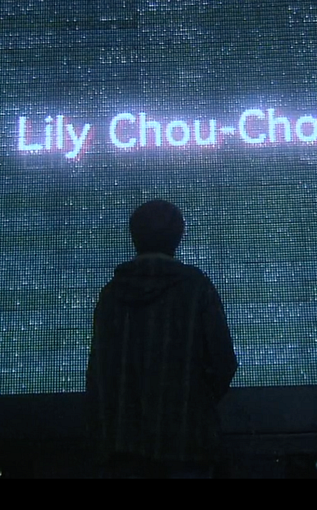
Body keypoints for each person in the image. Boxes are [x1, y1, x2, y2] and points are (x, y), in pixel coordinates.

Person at [86, 199, 238, 478]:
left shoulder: (110, 295)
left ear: (134, 236)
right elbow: (223, 362)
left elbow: (98, 374)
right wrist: (194, 405)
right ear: (179, 235)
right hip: (187, 443)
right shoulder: (196, 288)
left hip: (122, 446)